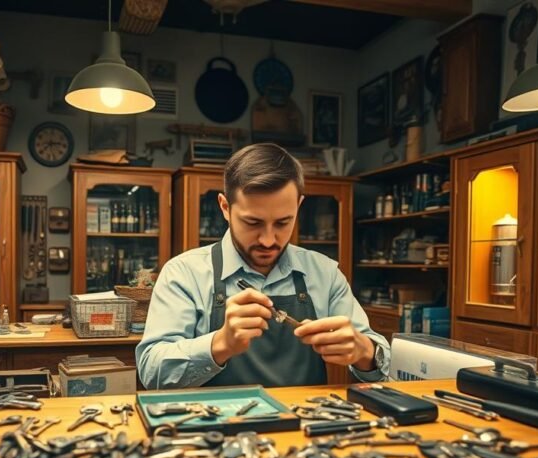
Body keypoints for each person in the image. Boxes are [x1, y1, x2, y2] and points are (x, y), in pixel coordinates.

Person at [136, 143, 390, 389]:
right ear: (225, 207)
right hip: (215, 428)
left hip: (304, 427)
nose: (268, 240)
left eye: (282, 223)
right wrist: (220, 344)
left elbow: (385, 367)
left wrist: (364, 351)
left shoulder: (325, 273)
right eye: (253, 222)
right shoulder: (184, 273)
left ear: (298, 206)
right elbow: (151, 371)